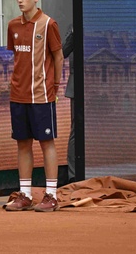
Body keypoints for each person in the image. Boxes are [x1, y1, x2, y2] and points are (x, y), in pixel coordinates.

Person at [5, 0, 63, 212]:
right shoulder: (12, 26)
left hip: (42, 95)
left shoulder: (49, 24)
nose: (20, 0)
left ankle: (51, 196)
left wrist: (55, 85)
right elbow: (17, 58)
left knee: (47, 143)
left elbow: (58, 56)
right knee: (23, 144)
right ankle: (25, 195)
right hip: (18, 96)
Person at [62, 24, 75, 183]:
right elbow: (62, 53)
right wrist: (73, 34)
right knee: (76, 132)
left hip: (96, 88)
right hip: (77, 89)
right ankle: (74, 175)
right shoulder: (74, 28)